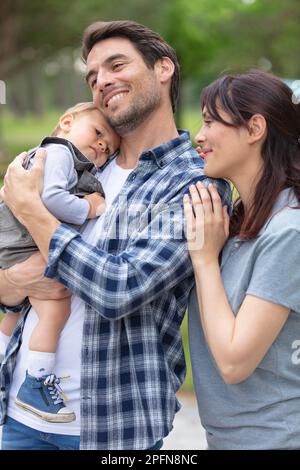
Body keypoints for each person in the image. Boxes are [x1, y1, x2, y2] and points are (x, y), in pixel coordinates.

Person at [0, 21, 231, 450]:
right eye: (92, 76)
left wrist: (33, 211)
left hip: (110, 430)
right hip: (16, 417)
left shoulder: (195, 184)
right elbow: (8, 278)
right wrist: (15, 281)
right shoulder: (81, 165)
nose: (102, 80)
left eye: (116, 65)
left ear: (163, 69)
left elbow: (121, 288)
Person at [184, 69, 300, 450]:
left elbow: (235, 362)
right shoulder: (234, 220)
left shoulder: (288, 231)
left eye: (209, 121)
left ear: (254, 129)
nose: (198, 136)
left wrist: (203, 260)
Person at [0, 101, 120, 424]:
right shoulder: (60, 154)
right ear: (66, 122)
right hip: (20, 241)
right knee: (56, 310)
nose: (100, 146)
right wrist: (90, 208)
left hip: (11, 242)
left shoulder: (53, 155)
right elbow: (51, 198)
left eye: (107, 149)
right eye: (97, 133)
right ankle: (35, 382)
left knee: (16, 311)